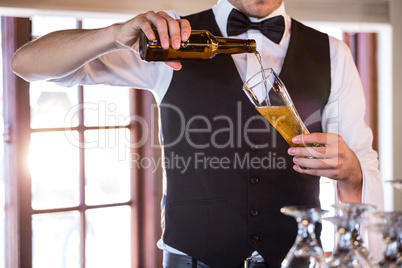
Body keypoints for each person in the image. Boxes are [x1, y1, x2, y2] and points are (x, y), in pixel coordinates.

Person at [11, 0, 384, 267]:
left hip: (296, 259)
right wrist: (113, 34)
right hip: (191, 260)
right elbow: (27, 63)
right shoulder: (168, 41)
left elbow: (360, 165)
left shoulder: (333, 53)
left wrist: (351, 168)